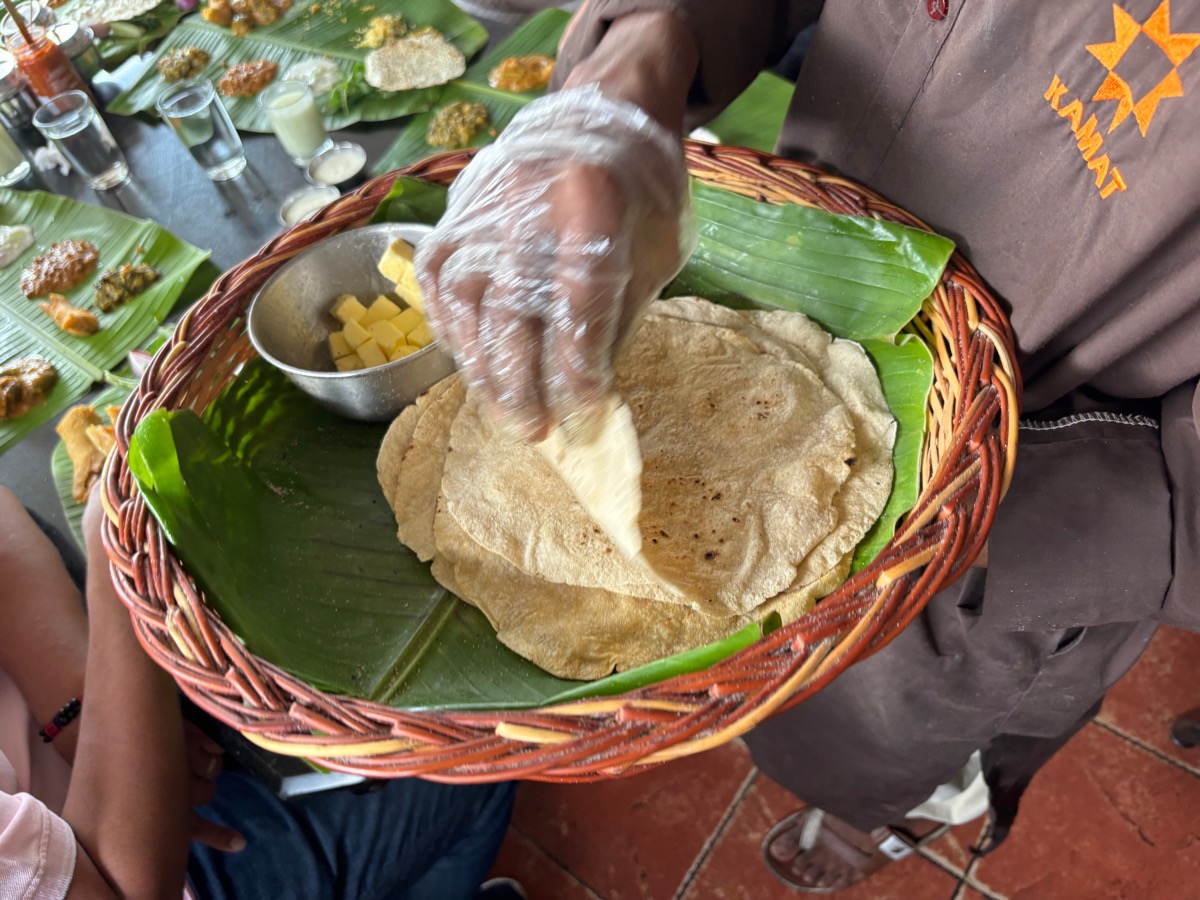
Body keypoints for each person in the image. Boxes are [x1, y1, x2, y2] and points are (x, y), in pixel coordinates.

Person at [415, 0, 1200, 890]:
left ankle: (892, 810)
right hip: (787, 292)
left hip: (1044, 493)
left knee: (905, 723)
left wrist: (1002, 479)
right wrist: (639, 55)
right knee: (769, 671)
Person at [0, 484, 518, 899]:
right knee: (471, 765)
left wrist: (85, 717)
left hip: (105, 761)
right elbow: (135, 886)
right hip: (163, 866)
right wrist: (124, 567)